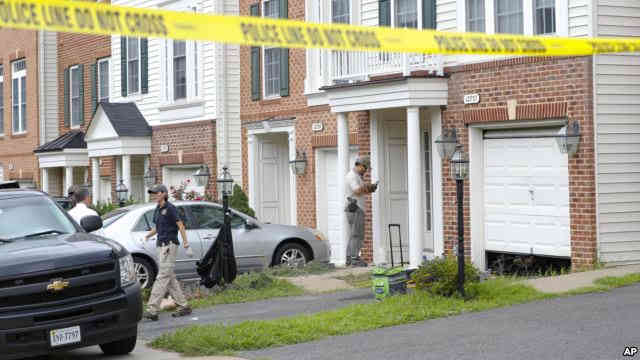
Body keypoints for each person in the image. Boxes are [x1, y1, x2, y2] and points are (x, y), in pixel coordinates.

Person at [143, 184, 192, 321]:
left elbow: (180, 225)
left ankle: (152, 309)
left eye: (156, 193)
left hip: (169, 245)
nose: (154, 195)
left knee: (162, 276)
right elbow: (157, 228)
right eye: (153, 193)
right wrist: (147, 236)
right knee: (169, 278)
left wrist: (186, 242)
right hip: (160, 246)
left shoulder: (170, 208)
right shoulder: (157, 209)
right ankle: (184, 306)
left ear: (164, 194)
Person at [345, 155, 378, 267]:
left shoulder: (357, 176)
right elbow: (357, 191)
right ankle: (354, 259)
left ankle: (350, 258)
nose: (366, 170)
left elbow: (360, 191)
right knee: (357, 234)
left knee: (354, 234)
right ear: (359, 165)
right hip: (355, 208)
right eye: (365, 168)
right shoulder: (352, 176)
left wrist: (369, 188)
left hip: (355, 207)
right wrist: (368, 187)